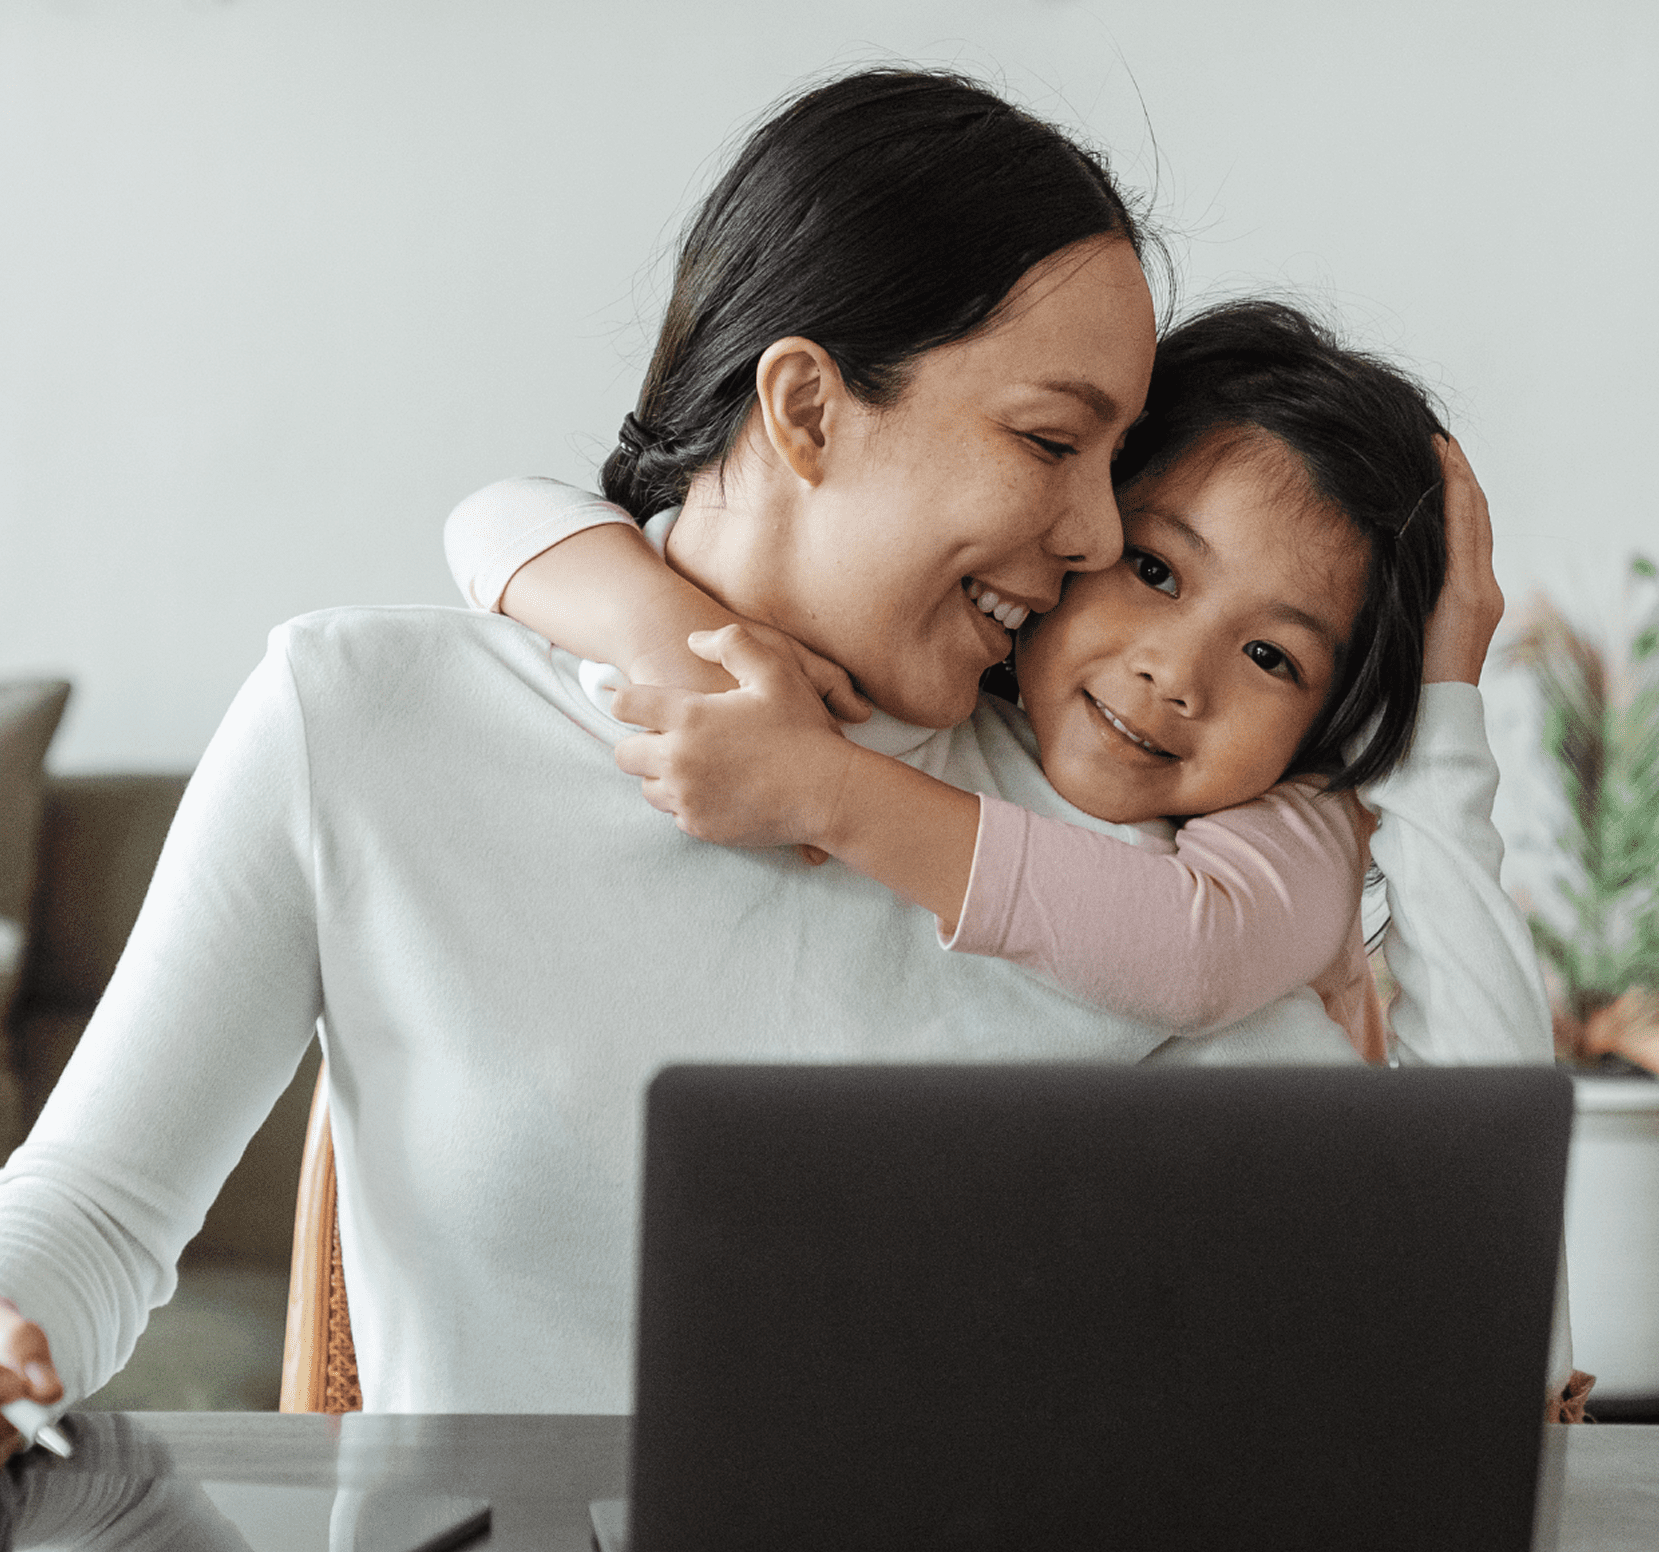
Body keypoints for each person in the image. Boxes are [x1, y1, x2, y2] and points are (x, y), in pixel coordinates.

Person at [0, 69, 1555, 1438]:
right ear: (806, 406)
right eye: (1047, 442)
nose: (1092, 536)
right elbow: (90, 1215)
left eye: (1114, 463)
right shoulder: (361, 721)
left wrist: (1427, 719)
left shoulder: (1126, 849)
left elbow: (1477, 1335)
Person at [443, 300, 1496, 1058]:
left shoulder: (1295, 819)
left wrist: (824, 789)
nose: (1176, 675)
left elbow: (1200, 953)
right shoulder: (941, 697)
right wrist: (674, 639)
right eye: (1156, 569)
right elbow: (495, 515)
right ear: (1079, 533)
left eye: (1274, 658)